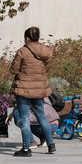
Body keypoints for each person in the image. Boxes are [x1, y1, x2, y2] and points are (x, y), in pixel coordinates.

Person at [10, 26, 56, 157]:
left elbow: (14, 69)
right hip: (39, 90)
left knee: (24, 118)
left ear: (27, 38)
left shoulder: (22, 51)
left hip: (24, 90)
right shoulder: (45, 51)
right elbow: (46, 64)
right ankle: (51, 145)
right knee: (41, 116)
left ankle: (26, 149)